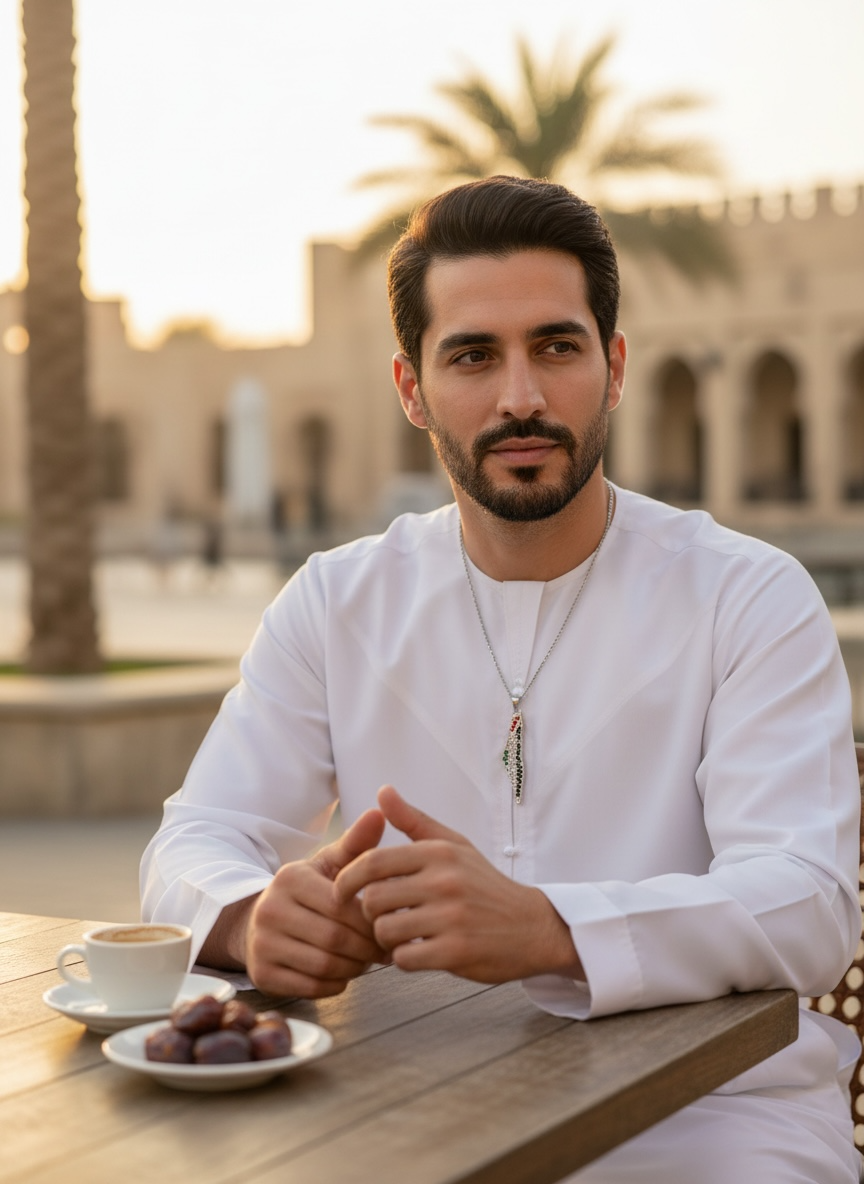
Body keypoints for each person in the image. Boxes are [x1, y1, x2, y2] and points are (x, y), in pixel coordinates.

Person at [141, 176, 862, 1182]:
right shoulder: (338, 601)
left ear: (612, 368)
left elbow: (808, 905)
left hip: (714, 1114)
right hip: (406, 1104)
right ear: (410, 388)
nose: (520, 394)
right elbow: (192, 837)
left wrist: (551, 927)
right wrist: (251, 913)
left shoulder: (746, 595)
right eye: (474, 355)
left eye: (556, 347)